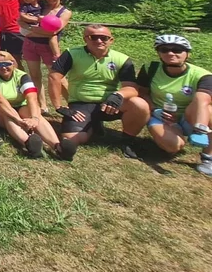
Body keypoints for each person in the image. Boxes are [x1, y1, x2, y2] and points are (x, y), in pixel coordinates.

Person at [48, 25, 149, 158]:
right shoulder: (72, 53)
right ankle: (92, 125)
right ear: (85, 39)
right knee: (71, 138)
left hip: (109, 104)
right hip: (81, 104)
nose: (99, 40)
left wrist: (118, 95)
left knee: (140, 105)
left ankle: (127, 141)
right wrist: (59, 106)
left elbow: (131, 87)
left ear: (111, 40)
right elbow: (54, 77)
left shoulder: (122, 59)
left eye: (104, 38)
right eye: (94, 37)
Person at [137, 35, 212, 176]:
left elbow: (203, 99)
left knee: (209, 110)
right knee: (173, 146)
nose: (170, 53)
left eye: (177, 50)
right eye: (164, 49)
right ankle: (176, 136)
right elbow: (142, 93)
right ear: (158, 53)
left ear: (187, 54)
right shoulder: (150, 68)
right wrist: (155, 109)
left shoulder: (203, 75)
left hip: (191, 116)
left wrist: (200, 128)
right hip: (161, 116)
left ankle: (208, 157)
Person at [0, 52, 76, 159]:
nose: (3, 67)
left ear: (13, 63)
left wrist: (35, 118)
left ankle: (58, 146)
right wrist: (18, 120)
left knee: (34, 113)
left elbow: (31, 98)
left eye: (7, 64)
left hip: (19, 107)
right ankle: (28, 144)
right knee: (6, 113)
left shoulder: (22, 76)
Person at [23, 0, 72, 115]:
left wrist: (31, 30)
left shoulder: (65, 12)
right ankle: (42, 106)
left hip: (49, 47)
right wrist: (31, 30)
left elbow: (54, 31)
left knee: (58, 78)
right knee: (35, 76)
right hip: (30, 45)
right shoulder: (39, 7)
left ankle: (73, 104)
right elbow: (20, 20)